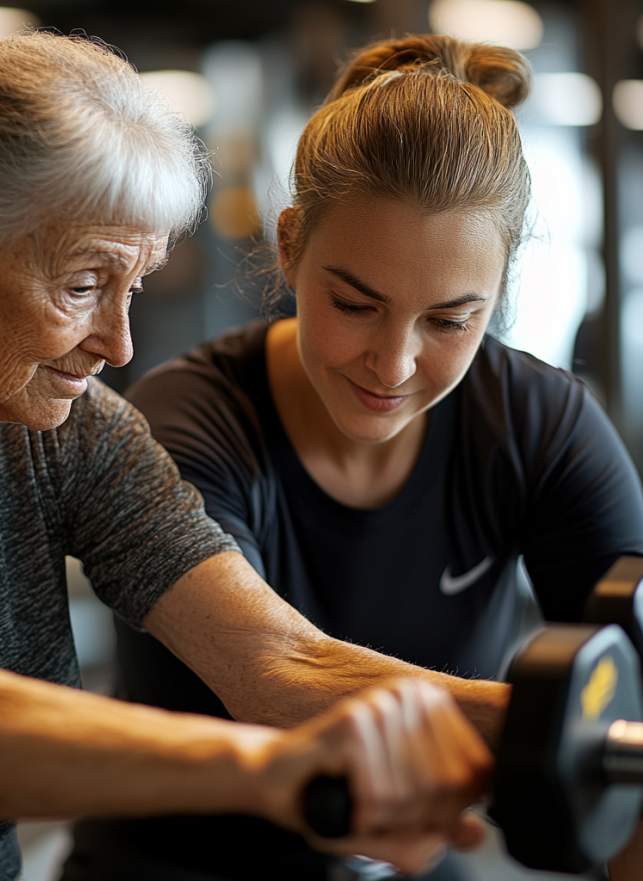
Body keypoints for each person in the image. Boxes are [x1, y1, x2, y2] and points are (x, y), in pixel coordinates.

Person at [0, 31, 495, 881]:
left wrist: (570, 726)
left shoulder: (73, 429)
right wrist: (267, 771)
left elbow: (279, 659)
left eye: (133, 286)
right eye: (82, 285)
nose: (118, 344)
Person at [63, 34, 643, 881]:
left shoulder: (539, 424)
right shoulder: (184, 422)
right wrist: (560, 724)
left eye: (448, 321)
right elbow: (277, 674)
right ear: (290, 244)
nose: (394, 362)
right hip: (181, 866)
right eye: (355, 303)